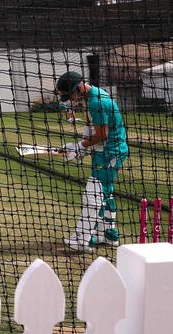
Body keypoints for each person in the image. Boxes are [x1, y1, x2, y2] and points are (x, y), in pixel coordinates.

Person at [56, 71, 129, 253]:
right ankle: (108, 234)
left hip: (110, 151)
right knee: (105, 192)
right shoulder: (95, 95)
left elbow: (103, 134)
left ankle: (83, 238)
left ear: (79, 87)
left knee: (93, 192)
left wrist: (81, 146)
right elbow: (93, 128)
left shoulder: (96, 102)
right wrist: (83, 146)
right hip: (107, 150)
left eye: (71, 94)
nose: (71, 100)